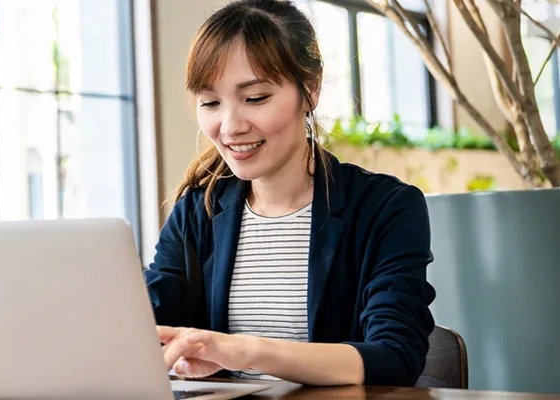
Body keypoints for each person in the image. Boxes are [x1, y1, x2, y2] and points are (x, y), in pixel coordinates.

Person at [145, 0, 436, 388]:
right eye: (211, 103)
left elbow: (394, 355)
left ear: (310, 89)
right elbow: (145, 323)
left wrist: (243, 351)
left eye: (255, 98)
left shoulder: (385, 207)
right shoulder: (199, 211)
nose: (230, 127)